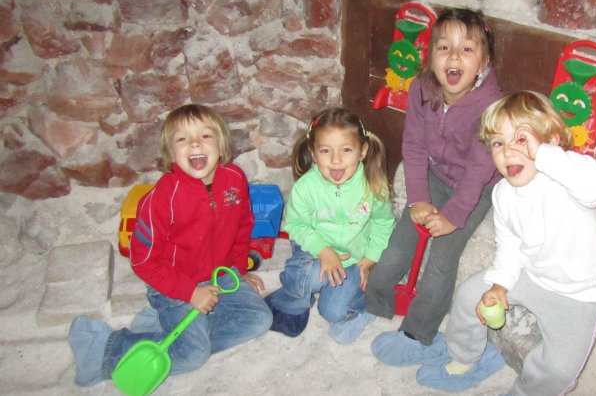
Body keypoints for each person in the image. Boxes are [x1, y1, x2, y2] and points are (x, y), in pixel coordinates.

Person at [415, 91, 596, 395]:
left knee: (558, 370)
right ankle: (464, 358)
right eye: (498, 144)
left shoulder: (571, 178)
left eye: (521, 140)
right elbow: (509, 246)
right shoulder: (504, 194)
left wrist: (546, 155)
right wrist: (500, 285)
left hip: (583, 293)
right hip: (532, 275)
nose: (509, 152)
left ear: (551, 142)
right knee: (468, 296)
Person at [67, 104, 271, 387]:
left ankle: (178, 333)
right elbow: (142, 260)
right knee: (193, 356)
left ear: (222, 146)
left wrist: (239, 269)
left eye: (205, 136)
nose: (195, 143)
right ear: (171, 154)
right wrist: (189, 292)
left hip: (220, 274)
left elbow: (242, 226)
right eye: (183, 139)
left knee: (259, 320)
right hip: (174, 283)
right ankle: (106, 348)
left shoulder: (234, 179)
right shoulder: (161, 199)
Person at [365, 8, 503, 363]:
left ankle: (418, 331)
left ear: (484, 62)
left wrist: (453, 217)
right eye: (444, 48)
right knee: (399, 244)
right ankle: (373, 303)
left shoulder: (491, 107)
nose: (454, 57)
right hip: (435, 173)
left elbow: (479, 170)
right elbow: (413, 147)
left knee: (442, 257)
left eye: (466, 49)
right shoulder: (421, 89)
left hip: (477, 188)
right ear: (431, 56)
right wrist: (418, 199)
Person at [265, 108, 395, 344]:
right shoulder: (305, 187)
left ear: (363, 151)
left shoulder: (374, 186)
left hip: (351, 261)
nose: (336, 160)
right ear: (313, 154)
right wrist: (323, 251)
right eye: (325, 151)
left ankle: (367, 306)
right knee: (307, 278)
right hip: (313, 251)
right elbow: (295, 225)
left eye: (346, 150)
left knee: (333, 313)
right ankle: (295, 300)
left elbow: (383, 223)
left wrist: (369, 260)